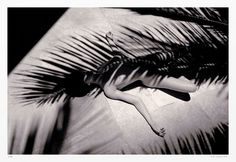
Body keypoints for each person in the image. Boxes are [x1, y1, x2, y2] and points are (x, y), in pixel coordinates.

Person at [83, 32, 198, 137]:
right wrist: (153, 125)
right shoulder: (108, 90)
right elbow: (136, 100)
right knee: (192, 88)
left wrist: (110, 41)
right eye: (86, 76)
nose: (88, 72)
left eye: (86, 72)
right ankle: (171, 70)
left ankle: (179, 60)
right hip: (152, 77)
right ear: (87, 84)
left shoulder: (102, 68)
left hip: (149, 60)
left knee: (186, 50)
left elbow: (117, 57)